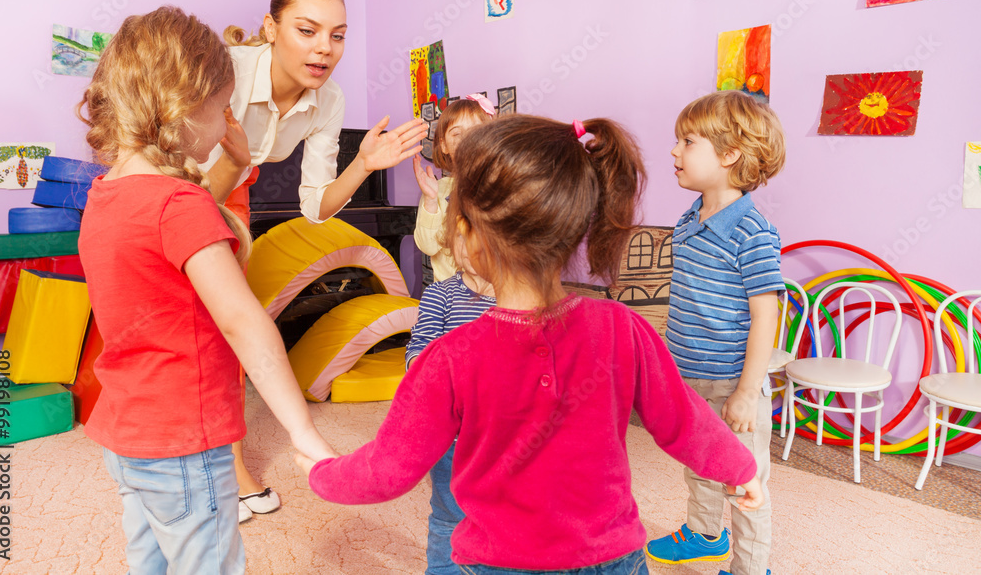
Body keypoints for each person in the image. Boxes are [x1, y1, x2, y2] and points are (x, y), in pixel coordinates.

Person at [296, 114, 763, 574]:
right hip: (613, 559)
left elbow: (388, 469)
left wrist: (321, 472)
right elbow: (685, 420)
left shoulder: (449, 358)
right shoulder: (624, 328)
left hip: (499, 564)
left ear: (468, 235)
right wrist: (739, 469)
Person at [76, 6, 337, 574]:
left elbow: (168, 241)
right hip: (185, 443)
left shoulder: (106, 196)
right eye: (222, 109)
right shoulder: (179, 205)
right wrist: (303, 430)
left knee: (151, 561)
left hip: (128, 437)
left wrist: (233, 169)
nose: (224, 125)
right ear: (185, 108)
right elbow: (244, 324)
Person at [201, 0, 426, 520]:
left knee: (231, 330)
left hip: (236, 186)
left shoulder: (329, 101)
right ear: (270, 27)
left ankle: (225, 462)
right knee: (209, 326)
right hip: (179, 177)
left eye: (338, 35)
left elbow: (316, 207)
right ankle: (218, 467)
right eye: (307, 29)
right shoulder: (222, 73)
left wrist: (364, 164)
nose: (324, 48)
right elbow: (182, 168)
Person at [646, 90, 786, 575]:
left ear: (729, 155)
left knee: (744, 482)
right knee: (699, 461)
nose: (674, 151)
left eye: (687, 141)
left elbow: (766, 315)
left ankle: (750, 568)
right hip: (689, 377)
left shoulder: (753, 230)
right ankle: (705, 534)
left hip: (732, 383)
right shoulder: (690, 217)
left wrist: (748, 391)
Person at [405, 261, 496, 574]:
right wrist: (428, 372)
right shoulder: (440, 294)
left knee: (504, 514)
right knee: (449, 515)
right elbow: (420, 344)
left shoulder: (519, 296)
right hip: (453, 437)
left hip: (506, 436)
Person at [412, 94, 494, 284]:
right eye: (457, 133)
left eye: (476, 131)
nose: (467, 139)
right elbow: (428, 247)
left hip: (494, 296)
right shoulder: (437, 190)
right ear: (444, 145)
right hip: (449, 300)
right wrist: (431, 200)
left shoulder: (500, 188)